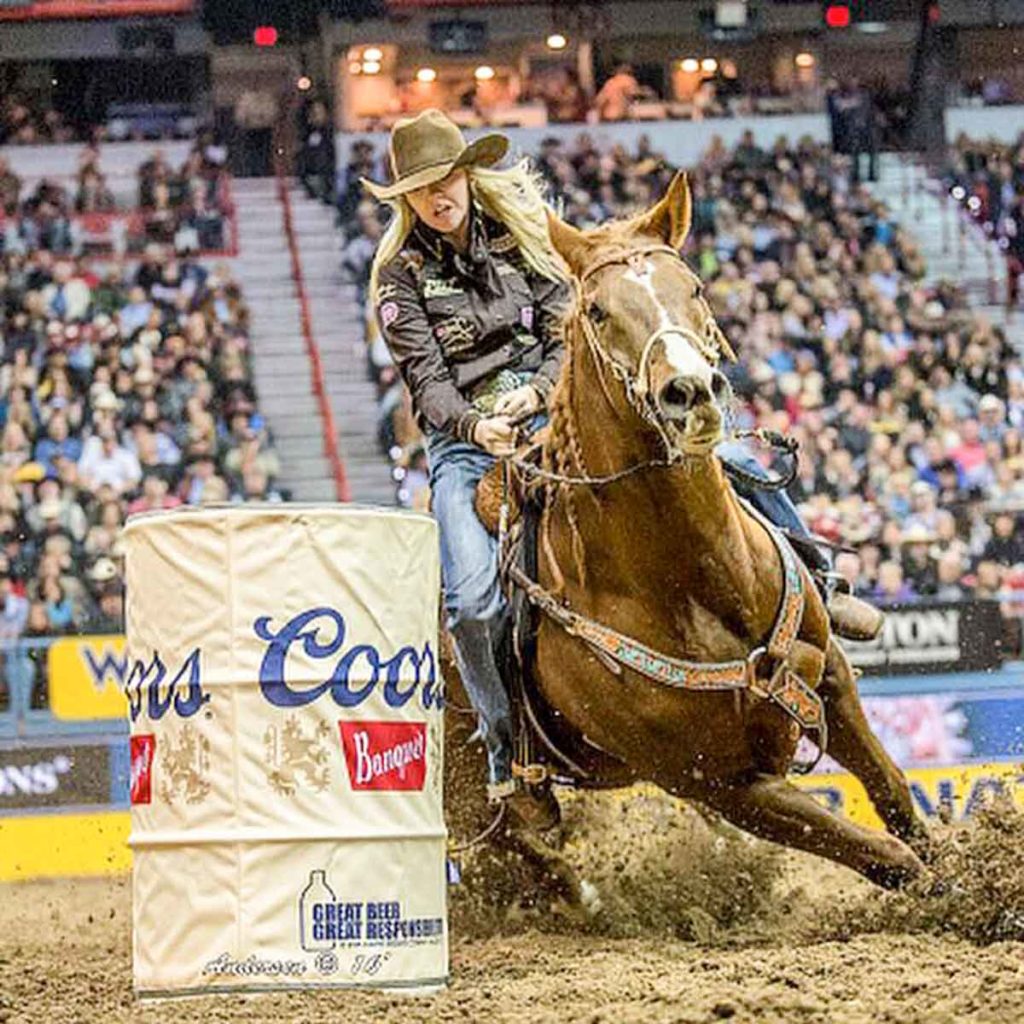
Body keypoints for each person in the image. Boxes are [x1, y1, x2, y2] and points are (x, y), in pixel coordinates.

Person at [366, 110, 567, 805]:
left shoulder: (524, 238)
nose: (437, 196)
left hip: (552, 422)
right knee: (473, 600)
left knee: (694, 452)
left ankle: (810, 574)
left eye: (445, 179)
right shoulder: (399, 279)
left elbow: (564, 333)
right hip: (463, 448)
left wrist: (538, 393)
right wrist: (480, 428)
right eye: (421, 189)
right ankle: (503, 739)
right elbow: (428, 385)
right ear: (407, 200)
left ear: (467, 175)